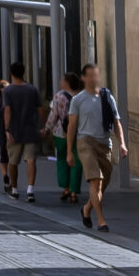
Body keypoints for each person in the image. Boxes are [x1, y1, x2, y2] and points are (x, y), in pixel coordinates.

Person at [66, 63, 126, 233]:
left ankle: (86, 209)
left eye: (96, 75)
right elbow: (72, 126)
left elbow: (116, 122)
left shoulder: (107, 97)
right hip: (85, 142)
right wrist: (70, 151)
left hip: (105, 143)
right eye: (90, 76)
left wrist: (122, 143)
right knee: (95, 181)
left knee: (101, 185)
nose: (94, 79)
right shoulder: (77, 100)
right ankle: (101, 221)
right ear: (84, 78)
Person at [2, 62, 45, 202]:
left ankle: (14, 189)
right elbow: (40, 109)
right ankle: (30, 190)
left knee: (13, 162)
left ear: (11, 74)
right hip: (31, 130)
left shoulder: (8, 91)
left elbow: (7, 110)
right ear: (24, 72)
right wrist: (41, 126)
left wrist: (7, 129)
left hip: (15, 131)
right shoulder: (32, 90)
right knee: (31, 160)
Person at [48, 72, 82, 203]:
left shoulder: (59, 97)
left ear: (67, 82)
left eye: (62, 79)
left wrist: (46, 129)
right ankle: (74, 191)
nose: (61, 81)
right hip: (78, 133)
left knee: (62, 159)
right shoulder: (81, 96)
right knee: (77, 162)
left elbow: (54, 116)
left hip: (61, 133)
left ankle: (66, 188)